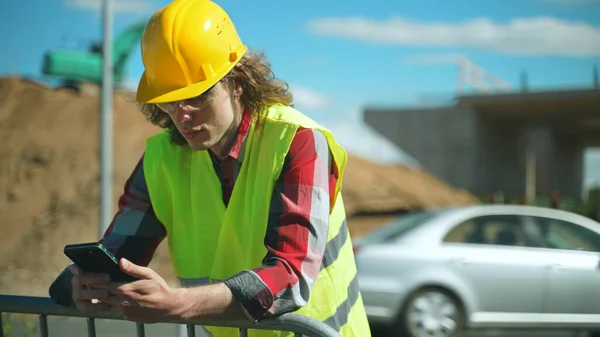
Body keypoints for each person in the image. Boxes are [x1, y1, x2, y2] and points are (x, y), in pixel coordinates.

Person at [49, 1, 371, 336]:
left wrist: (176, 304)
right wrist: (84, 284)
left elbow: (290, 275)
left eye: (198, 95)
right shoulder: (162, 160)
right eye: (169, 99)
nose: (182, 114)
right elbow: (118, 253)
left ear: (238, 81)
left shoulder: (297, 142)